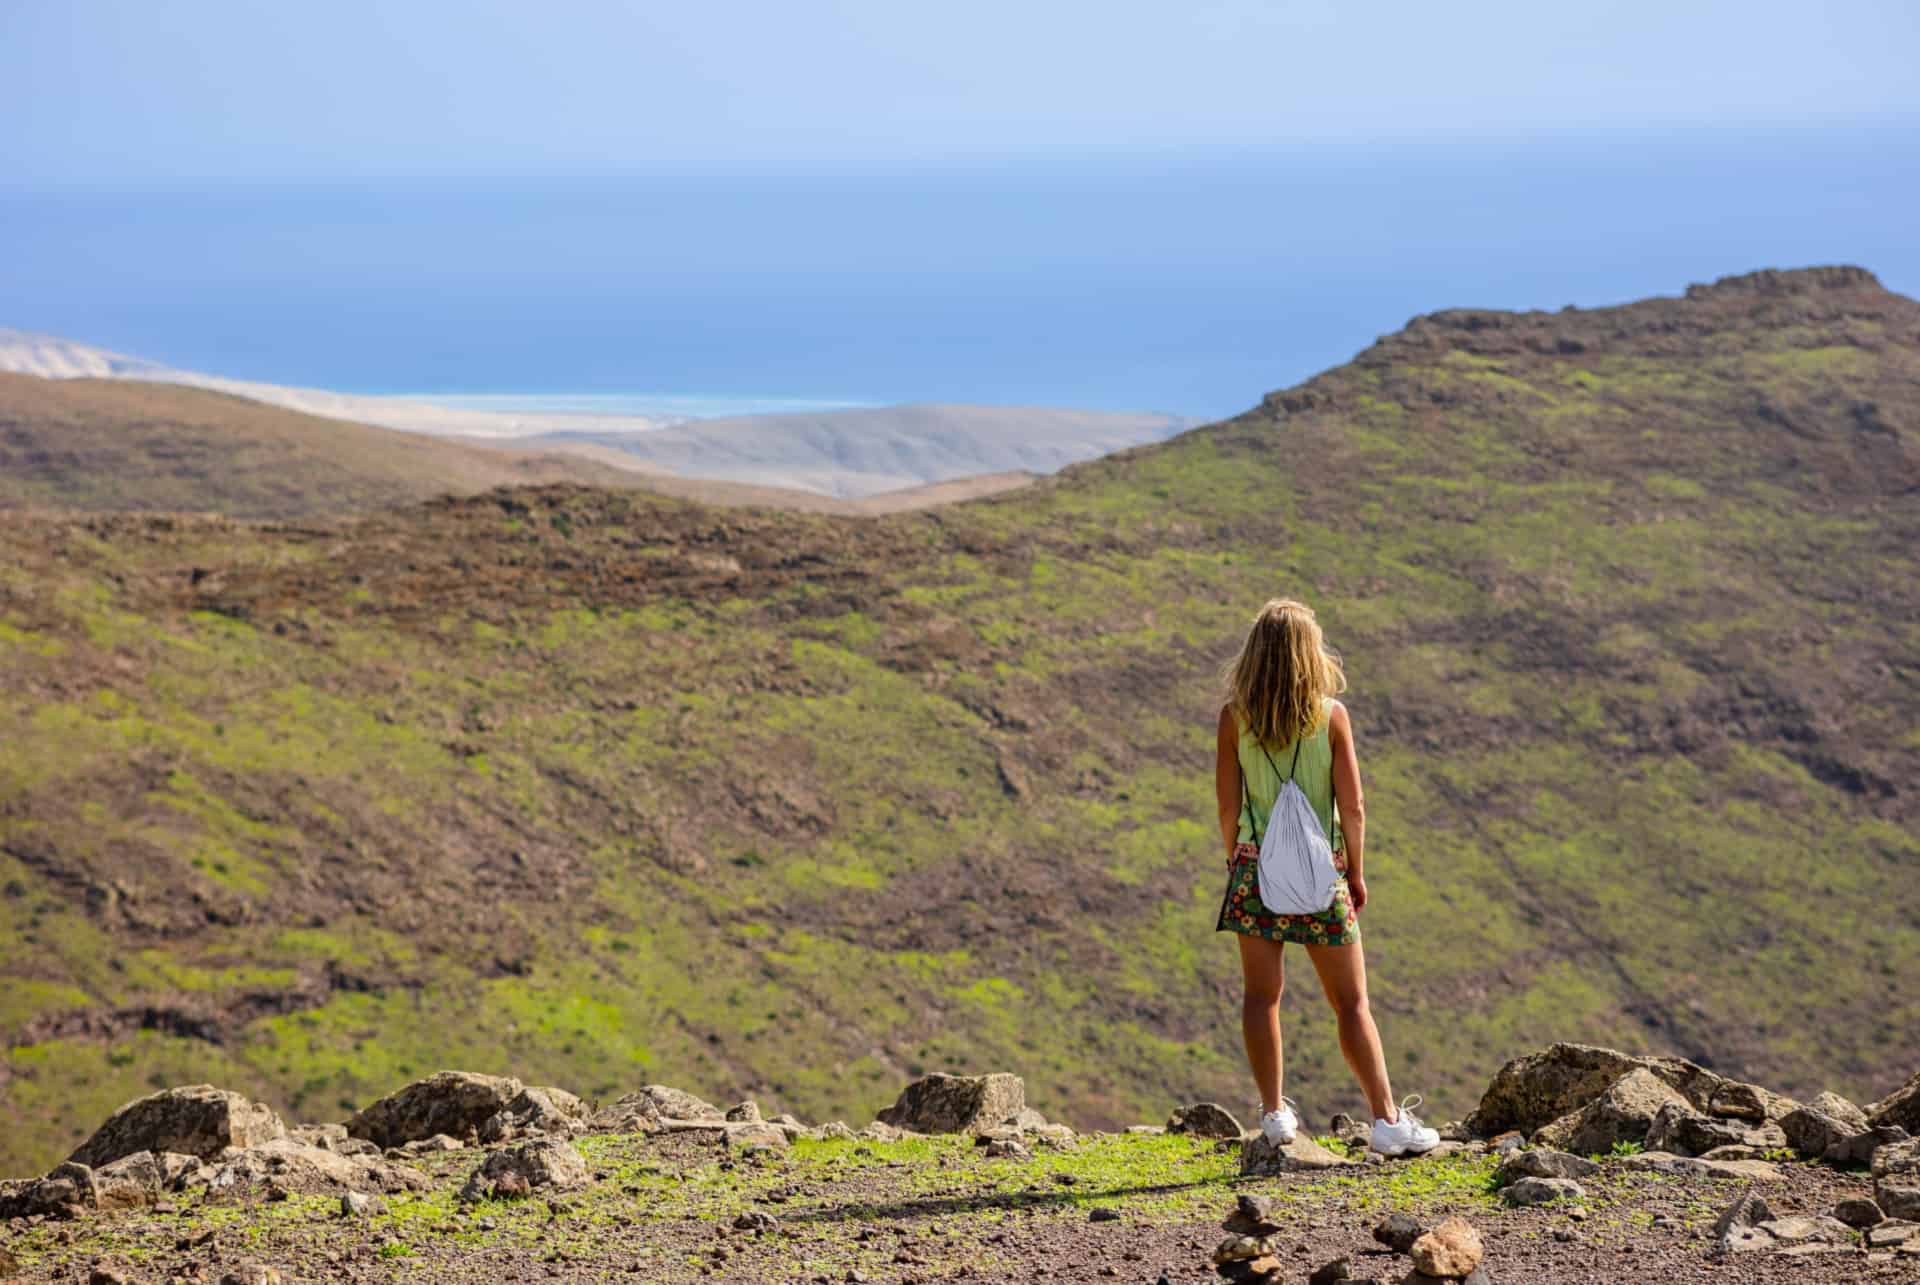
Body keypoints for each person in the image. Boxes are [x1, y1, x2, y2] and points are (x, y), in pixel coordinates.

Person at [1213, 598, 1437, 1156]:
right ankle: (1386, 1122)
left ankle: (1274, 1116)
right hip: (1323, 873)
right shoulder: (1331, 716)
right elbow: (1353, 804)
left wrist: (1237, 861)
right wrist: (1355, 872)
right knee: (1351, 1003)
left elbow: (1225, 805)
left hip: (1252, 869)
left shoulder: (1233, 718)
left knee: (1262, 997)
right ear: (1310, 654)